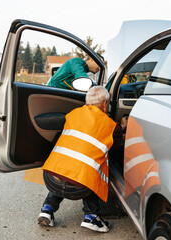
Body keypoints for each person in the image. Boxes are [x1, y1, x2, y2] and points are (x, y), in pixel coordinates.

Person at [37, 86, 127, 233]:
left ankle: (47, 209)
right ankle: (91, 216)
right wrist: (123, 127)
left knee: (65, 169)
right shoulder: (111, 125)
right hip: (80, 187)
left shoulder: (73, 114)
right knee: (92, 170)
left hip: (51, 179)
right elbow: (118, 144)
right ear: (105, 104)